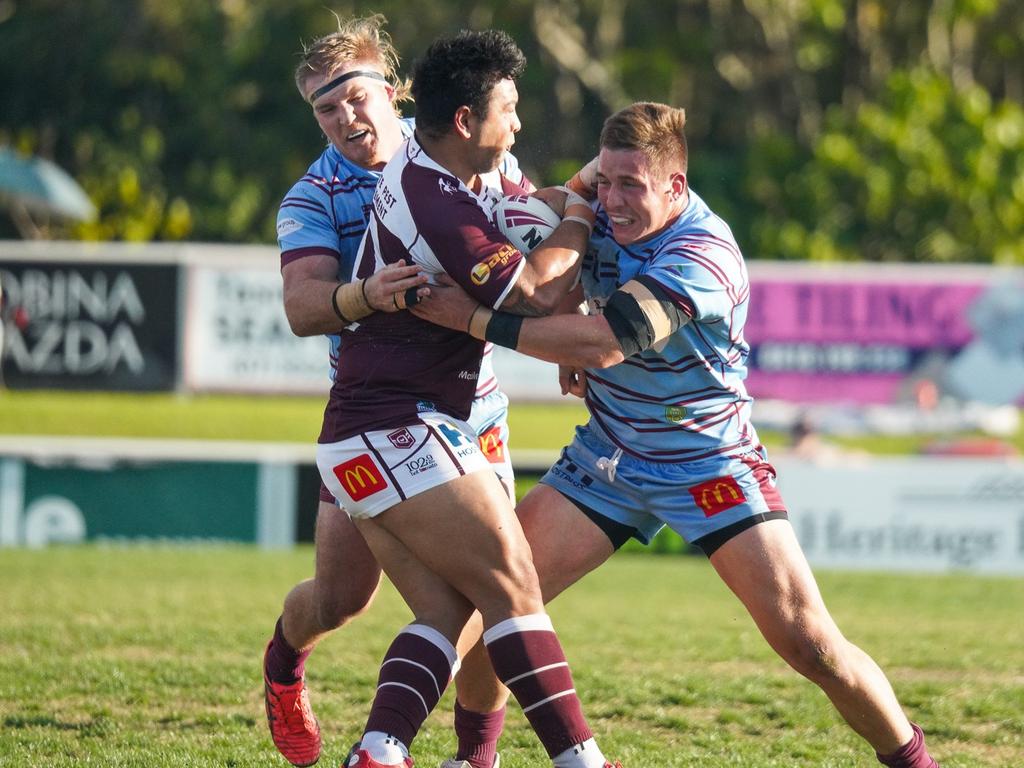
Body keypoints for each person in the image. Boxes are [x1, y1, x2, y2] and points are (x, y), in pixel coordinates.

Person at [412, 101, 941, 768]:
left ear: (676, 188)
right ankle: (472, 759)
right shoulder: (602, 201)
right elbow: (565, 208)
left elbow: (608, 344)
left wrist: (474, 320)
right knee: (500, 600)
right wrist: (568, 210)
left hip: (707, 463)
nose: (613, 201)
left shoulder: (704, 254)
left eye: (630, 186)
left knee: (810, 643)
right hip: (608, 455)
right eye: (606, 182)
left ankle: (917, 763)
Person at [314, 28, 621, 768]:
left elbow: (530, 212)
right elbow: (539, 292)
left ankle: (380, 752)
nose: (516, 125)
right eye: (508, 109)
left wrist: (564, 201)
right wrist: (580, 211)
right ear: (463, 120)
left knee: (451, 614)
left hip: (367, 435)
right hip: (398, 426)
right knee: (515, 587)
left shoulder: (457, 169)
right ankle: (582, 761)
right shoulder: (434, 195)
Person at [264, 16, 531, 768]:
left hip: (474, 408)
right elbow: (302, 307)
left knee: (496, 584)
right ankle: (285, 663)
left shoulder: (461, 132)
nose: (344, 116)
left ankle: (475, 755)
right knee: (343, 598)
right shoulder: (312, 197)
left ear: (392, 89)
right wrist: (364, 295)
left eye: (353, 96)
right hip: (378, 415)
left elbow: (521, 235)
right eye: (324, 107)